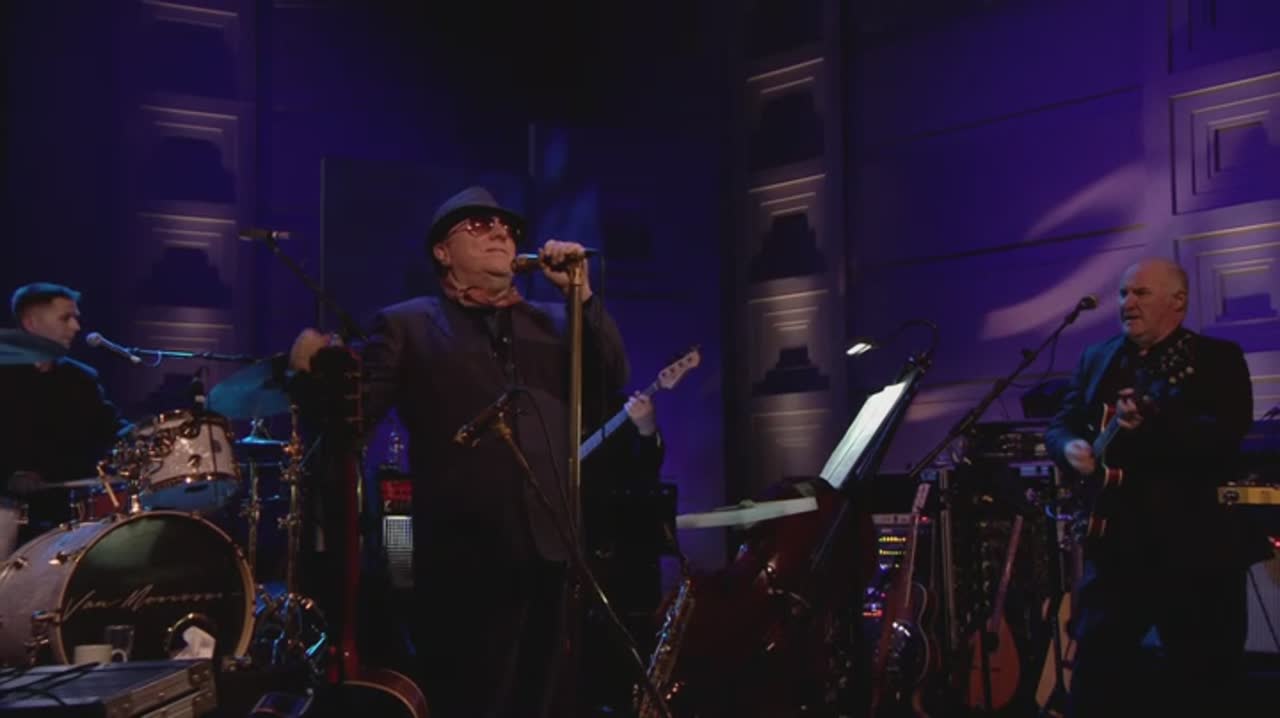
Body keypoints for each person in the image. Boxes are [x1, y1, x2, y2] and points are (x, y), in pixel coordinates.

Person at [291, 186, 629, 718]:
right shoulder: (407, 324)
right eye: (478, 225)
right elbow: (350, 426)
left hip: (552, 547)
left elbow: (612, 379)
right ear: (442, 252)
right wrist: (311, 377)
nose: (499, 233)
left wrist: (581, 296)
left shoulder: (557, 321)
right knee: (475, 700)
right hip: (465, 557)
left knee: (548, 702)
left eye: (507, 228)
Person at [1045, 258, 1272, 717]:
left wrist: (1156, 419)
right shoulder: (1097, 357)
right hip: (1115, 550)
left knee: (1205, 685)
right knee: (1095, 682)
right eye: (1124, 293)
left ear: (1178, 302)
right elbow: (1062, 422)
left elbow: (1225, 434)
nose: (1127, 303)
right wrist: (1069, 447)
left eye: (1141, 293)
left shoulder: (1216, 358)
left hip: (1194, 550)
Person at [0, 283, 128, 542]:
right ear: (32, 323)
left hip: (64, 517)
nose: (76, 327)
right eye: (65, 318)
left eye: (76, 318)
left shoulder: (82, 379)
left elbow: (111, 430)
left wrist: (146, 431)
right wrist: (9, 476)